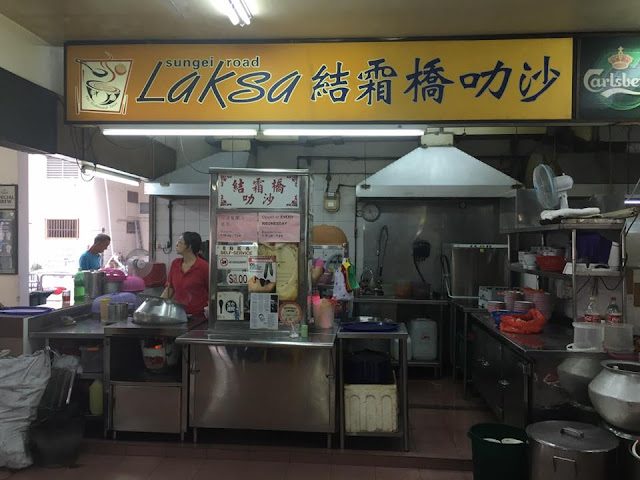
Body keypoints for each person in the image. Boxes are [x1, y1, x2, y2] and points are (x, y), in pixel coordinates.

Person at [162, 232, 209, 317]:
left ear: (189, 246)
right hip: (178, 315)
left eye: (180, 242)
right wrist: (157, 304)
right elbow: (170, 289)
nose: (177, 244)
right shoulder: (175, 264)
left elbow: (211, 292)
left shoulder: (204, 267)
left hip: (199, 317)